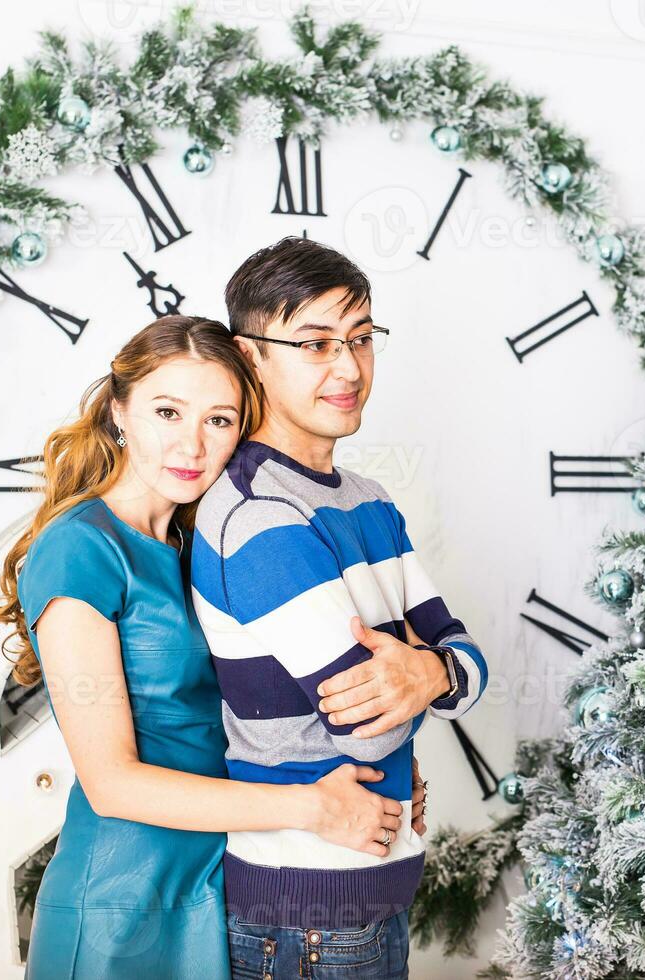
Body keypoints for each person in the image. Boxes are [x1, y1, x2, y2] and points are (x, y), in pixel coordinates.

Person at [0, 314, 430, 979]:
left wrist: (389, 773)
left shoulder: (207, 540)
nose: (190, 444)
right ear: (119, 409)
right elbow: (111, 784)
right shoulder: (81, 549)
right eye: (168, 411)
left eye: (219, 420)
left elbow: (274, 699)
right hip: (126, 900)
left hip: (223, 881)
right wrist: (314, 807)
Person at [191, 238, 489, 979]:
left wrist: (426, 673)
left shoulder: (369, 501)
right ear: (251, 356)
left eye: (360, 339)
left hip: (372, 881)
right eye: (316, 343)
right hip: (305, 908)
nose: (350, 368)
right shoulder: (259, 516)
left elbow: (468, 662)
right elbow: (368, 729)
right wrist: (433, 676)